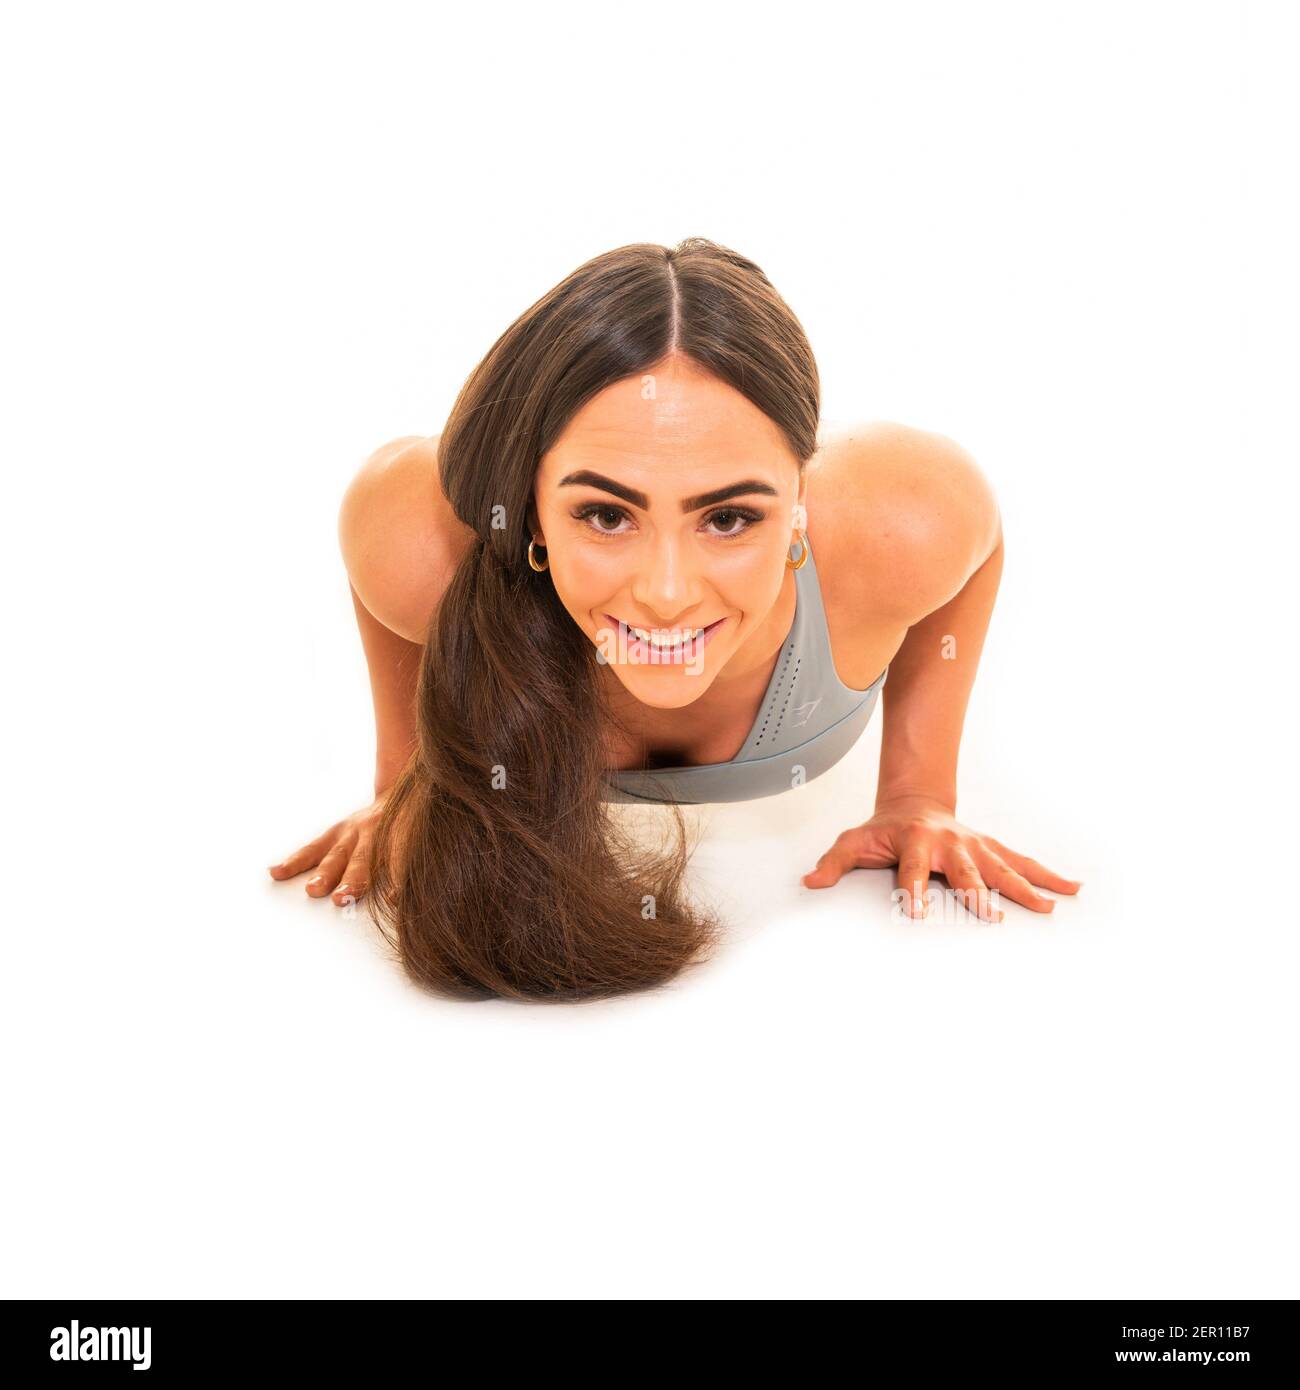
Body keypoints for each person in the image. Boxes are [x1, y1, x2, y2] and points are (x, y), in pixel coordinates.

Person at [267, 238, 1081, 1000]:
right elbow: (382, 577)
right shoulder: (422, 543)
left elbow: (980, 547)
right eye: (605, 515)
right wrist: (404, 785)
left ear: (801, 503)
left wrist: (918, 794)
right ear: (532, 510)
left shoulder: (903, 520)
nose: (665, 594)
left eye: (727, 519)